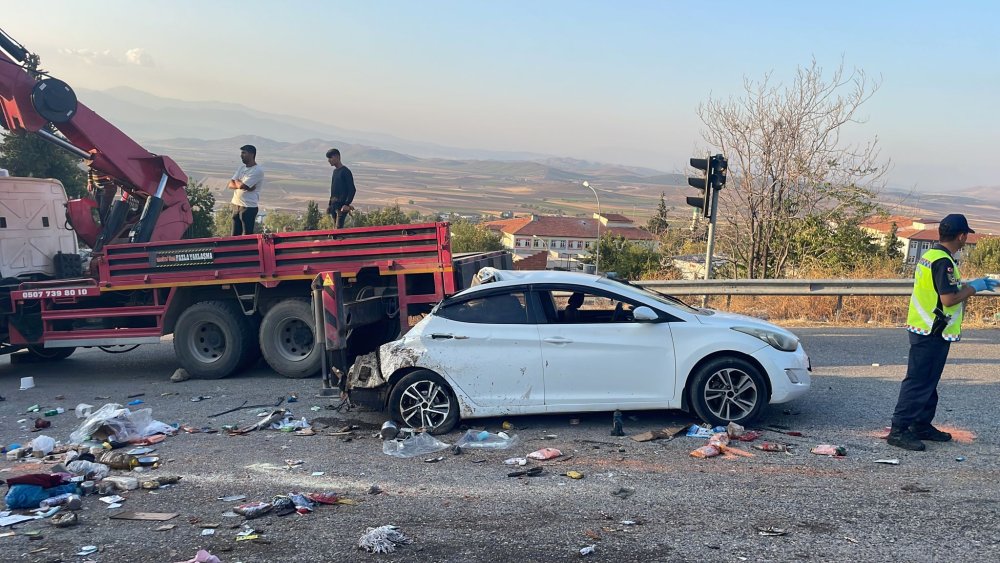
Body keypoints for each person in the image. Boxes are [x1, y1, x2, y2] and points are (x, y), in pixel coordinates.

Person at [887, 214, 998, 451]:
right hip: (932, 330)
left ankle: (921, 425)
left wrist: (966, 285)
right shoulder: (943, 262)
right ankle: (898, 430)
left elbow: (940, 291)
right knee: (919, 381)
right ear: (962, 236)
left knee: (928, 381)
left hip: (926, 327)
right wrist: (973, 288)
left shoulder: (930, 256)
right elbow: (948, 299)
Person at [228, 144, 264, 236]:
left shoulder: (257, 170)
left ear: (252, 154)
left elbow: (243, 186)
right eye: (241, 153)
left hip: (248, 207)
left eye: (244, 153)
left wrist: (238, 182)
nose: (241, 155)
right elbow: (230, 184)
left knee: (246, 236)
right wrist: (241, 184)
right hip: (236, 205)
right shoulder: (241, 168)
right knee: (234, 236)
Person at [326, 148, 356, 229]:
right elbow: (334, 190)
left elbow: (352, 189)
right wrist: (330, 205)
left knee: (338, 230)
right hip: (334, 206)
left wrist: (346, 204)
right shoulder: (335, 171)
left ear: (337, 157)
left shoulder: (345, 171)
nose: (329, 160)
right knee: (335, 229)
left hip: (341, 207)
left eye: (330, 157)